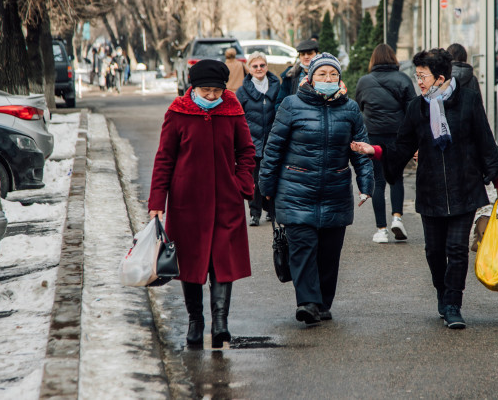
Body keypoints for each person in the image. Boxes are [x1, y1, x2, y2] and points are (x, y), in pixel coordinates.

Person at [351, 48, 498, 330]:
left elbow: (486, 142)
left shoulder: (469, 101)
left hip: (465, 186)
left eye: (422, 76)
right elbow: (401, 147)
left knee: (457, 250)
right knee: (434, 252)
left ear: (439, 78)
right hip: (431, 188)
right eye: (417, 76)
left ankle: (453, 304)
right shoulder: (417, 107)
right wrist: (374, 150)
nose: (418, 82)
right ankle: (442, 292)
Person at [260, 53, 374, 326]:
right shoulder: (291, 105)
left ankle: (323, 303)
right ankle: (308, 303)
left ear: (339, 78)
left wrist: (366, 184)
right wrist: (266, 186)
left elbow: (360, 150)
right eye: (322, 74)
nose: (328, 79)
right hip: (296, 190)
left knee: (329, 253)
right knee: (303, 248)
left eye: (333, 75)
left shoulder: (350, 109)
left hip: (335, 191)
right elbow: (273, 149)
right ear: (310, 77)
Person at [148, 59, 256, 348]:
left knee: (223, 261)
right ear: (193, 88)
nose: (211, 97)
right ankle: (196, 321)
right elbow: (164, 159)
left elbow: (247, 151)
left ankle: (221, 323)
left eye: (216, 91)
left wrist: (241, 183)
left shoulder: (232, 111)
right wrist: (157, 200)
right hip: (188, 202)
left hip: (226, 200)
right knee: (192, 263)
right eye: (206, 91)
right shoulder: (177, 113)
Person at [355, 43, 417, 244]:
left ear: (373, 60)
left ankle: (381, 229)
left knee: (378, 181)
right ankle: (397, 218)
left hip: (373, 136)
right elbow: (413, 110)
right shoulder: (403, 79)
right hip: (398, 136)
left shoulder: (364, 81)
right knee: (396, 177)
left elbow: (359, 107)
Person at [235, 51, 281, 226]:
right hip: (252, 142)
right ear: (249, 68)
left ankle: (271, 210)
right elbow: (238, 117)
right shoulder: (243, 91)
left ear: (267, 67)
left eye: (262, 65)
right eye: (255, 66)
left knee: (272, 176)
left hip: (273, 141)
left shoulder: (277, 87)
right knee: (254, 180)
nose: (259, 68)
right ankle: (255, 213)